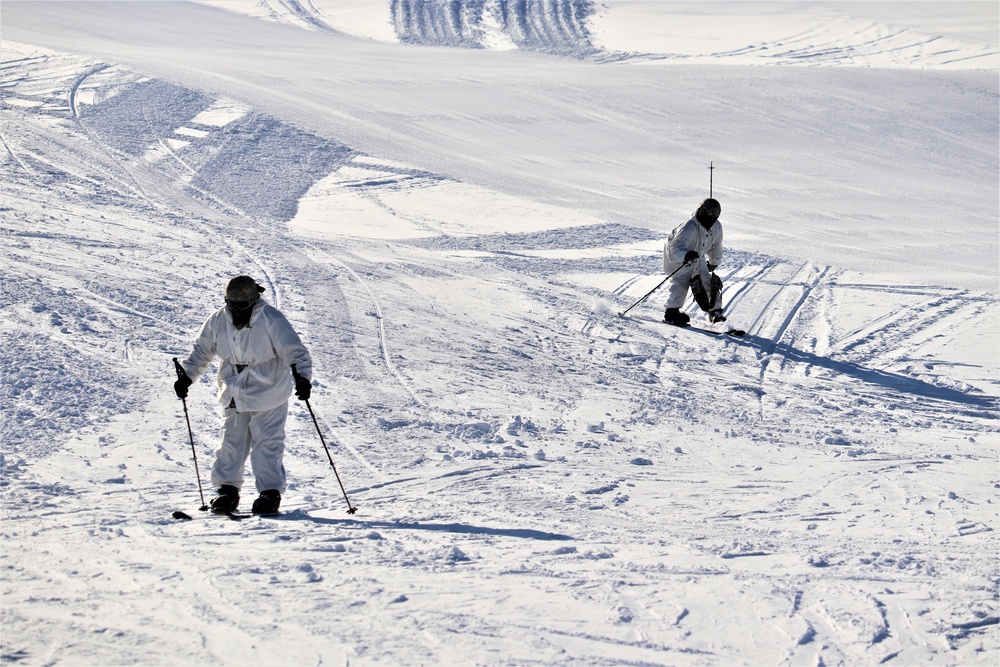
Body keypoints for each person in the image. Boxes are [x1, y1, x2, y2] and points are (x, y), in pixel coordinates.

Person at [173, 275, 313, 515]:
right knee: (230, 441)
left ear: (253, 301)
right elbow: (202, 351)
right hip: (234, 389)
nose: (236, 310)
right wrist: (187, 375)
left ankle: (269, 493)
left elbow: (295, 351)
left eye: (242, 306)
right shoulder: (218, 319)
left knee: (267, 443)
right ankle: (227, 490)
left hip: (269, 389)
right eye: (232, 304)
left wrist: (302, 377)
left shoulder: (271, 319)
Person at [662, 197, 726, 326]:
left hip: (697, 255)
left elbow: (716, 246)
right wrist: (685, 255)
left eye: (713, 218)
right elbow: (675, 246)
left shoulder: (716, 227)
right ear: (701, 212)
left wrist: (714, 261)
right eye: (708, 216)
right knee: (682, 279)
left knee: (707, 280)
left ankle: (715, 312)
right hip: (677, 255)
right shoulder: (690, 227)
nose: (710, 220)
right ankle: (672, 312)